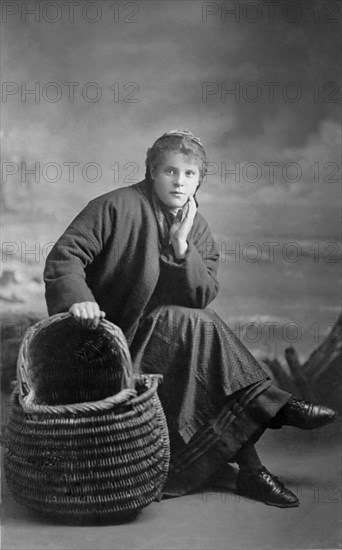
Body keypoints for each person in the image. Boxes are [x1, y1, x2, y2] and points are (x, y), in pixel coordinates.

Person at [44, 130, 336, 508]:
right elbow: (64, 257)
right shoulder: (115, 206)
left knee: (194, 328)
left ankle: (252, 470)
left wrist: (182, 244)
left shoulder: (196, 225)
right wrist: (79, 301)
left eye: (189, 174)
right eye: (170, 171)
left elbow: (201, 295)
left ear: (200, 180)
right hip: (104, 343)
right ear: (152, 171)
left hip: (165, 345)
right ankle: (272, 406)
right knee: (198, 325)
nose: (179, 182)